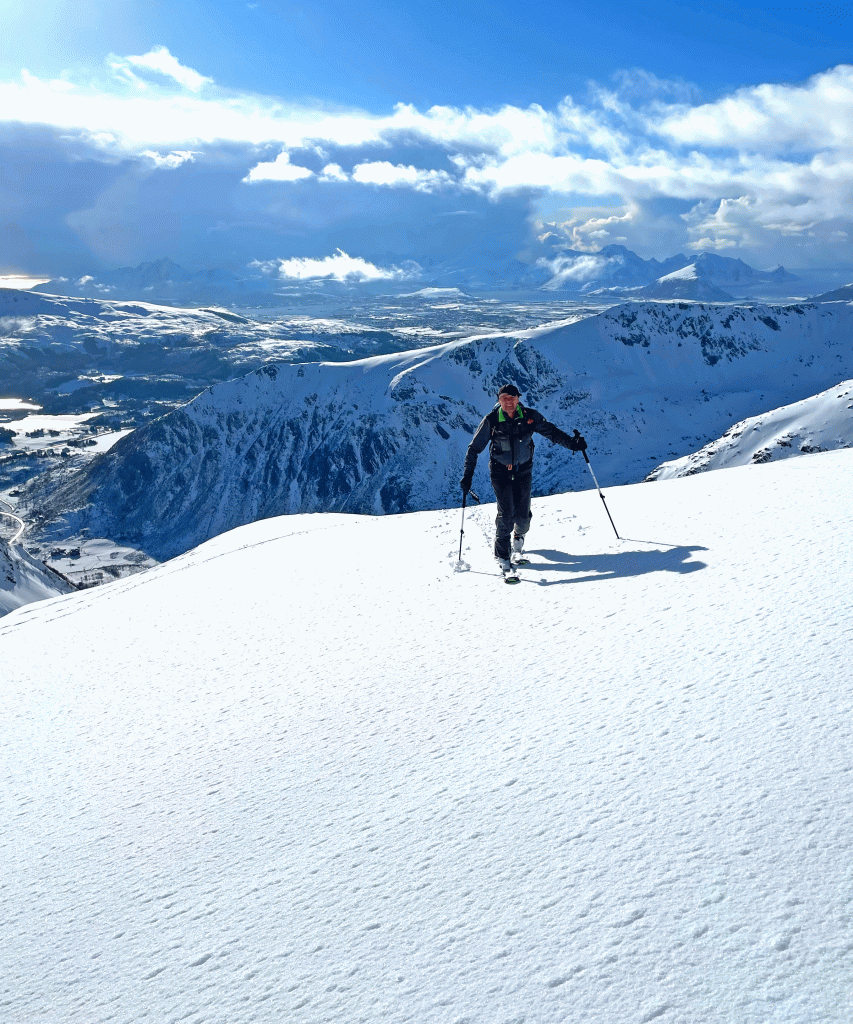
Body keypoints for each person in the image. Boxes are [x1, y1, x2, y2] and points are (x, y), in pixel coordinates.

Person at [460, 383, 587, 572]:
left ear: (518, 398)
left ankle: (519, 536)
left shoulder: (529, 417)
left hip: (523, 471)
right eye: (504, 399)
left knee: (523, 518)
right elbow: (474, 448)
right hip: (500, 472)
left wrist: (573, 444)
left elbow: (551, 432)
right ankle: (502, 554)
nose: (508, 402)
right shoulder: (492, 420)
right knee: (506, 514)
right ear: (499, 400)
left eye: (512, 398)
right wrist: (467, 475)